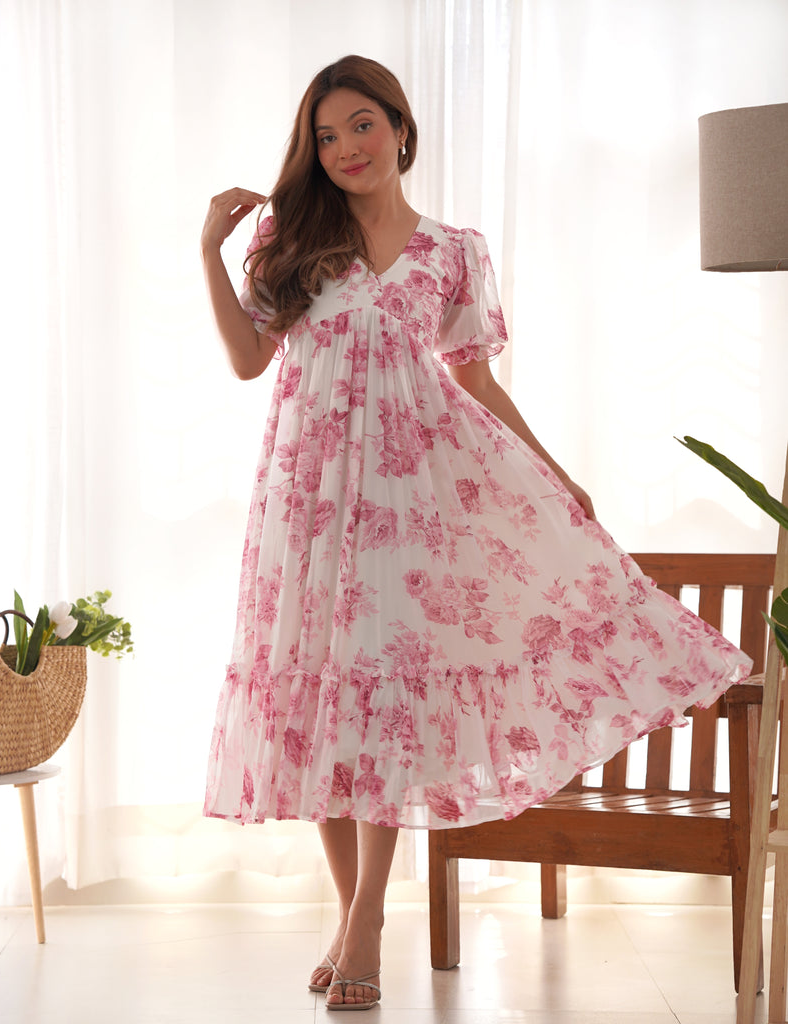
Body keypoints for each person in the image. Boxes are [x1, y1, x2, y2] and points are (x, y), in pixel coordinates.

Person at [200, 55, 751, 1010]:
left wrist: (553, 472)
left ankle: (367, 921)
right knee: (326, 704)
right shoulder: (293, 237)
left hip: (407, 503)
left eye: (361, 125)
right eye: (325, 137)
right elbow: (250, 361)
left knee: (383, 698)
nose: (345, 148)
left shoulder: (452, 252)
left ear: (399, 128)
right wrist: (210, 251)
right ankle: (350, 914)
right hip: (308, 498)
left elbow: (475, 380)